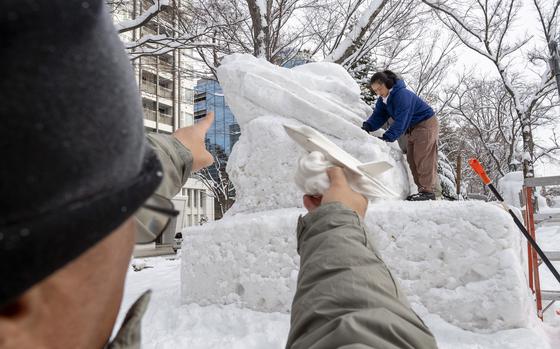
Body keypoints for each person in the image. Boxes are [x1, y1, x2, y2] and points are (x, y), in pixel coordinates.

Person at [0, 2, 437, 348]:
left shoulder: (392, 95)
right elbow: (362, 332)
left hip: (416, 128)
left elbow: (386, 123)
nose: (131, 222)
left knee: (421, 158)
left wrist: (171, 155)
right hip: (347, 199)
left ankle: (427, 191)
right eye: (116, 216)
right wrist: (339, 223)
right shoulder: (367, 101)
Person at [362, 70, 439, 201]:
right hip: (412, 127)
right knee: (412, 159)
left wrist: (388, 136)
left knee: (423, 157)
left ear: (388, 84)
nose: (378, 93)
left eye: (380, 89)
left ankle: (428, 192)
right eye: (375, 91)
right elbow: (379, 115)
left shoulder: (402, 95)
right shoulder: (384, 99)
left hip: (425, 124)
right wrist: (367, 126)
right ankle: (423, 191)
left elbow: (402, 119)